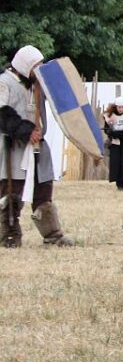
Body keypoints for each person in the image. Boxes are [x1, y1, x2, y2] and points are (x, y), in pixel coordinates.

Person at [0, 45, 74, 247]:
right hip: (13, 147)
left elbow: (62, 100)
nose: (39, 69)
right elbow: (2, 113)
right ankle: (9, 235)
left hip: (38, 147)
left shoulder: (39, 84)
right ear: (24, 65)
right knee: (11, 193)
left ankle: (53, 235)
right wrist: (25, 130)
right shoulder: (4, 82)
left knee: (43, 192)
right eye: (36, 66)